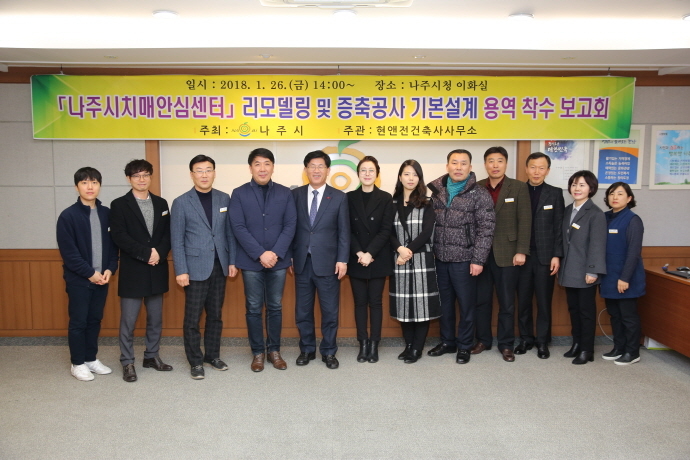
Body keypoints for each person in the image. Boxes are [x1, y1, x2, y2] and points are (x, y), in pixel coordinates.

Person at [171, 155, 238, 379]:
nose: (204, 175)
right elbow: (177, 240)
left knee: (215, 315)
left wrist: (232, 261)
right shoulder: (181, 202)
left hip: (219, 265)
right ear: (192, 174)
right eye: (199, 171)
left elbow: (229, 234)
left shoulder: (224, 198)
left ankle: (212, 355)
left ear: (214, 173)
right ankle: (195, 361)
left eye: (208, 170)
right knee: (193, 318)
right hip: (194, 267)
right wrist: (181, 270)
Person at [230, 148, 296, 372]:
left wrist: (275, 253)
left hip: (279, 260)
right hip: (251, 261)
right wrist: (260, 253)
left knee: (275, 306)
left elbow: (290, 225)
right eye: (257, 164)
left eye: (267, 163)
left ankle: (274, 351)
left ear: (273, 167)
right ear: (250, 168)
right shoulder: (239, 193)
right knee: (253, 307)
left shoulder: (285, 193)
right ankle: (257, 352)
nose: (262, 168)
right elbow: (238, 227)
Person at [427, 149, 495, 365]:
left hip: (465, 260)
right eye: (454, 163)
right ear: (447, 166)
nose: (458, 167)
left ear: (470, 167)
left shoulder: (479, 193)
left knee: (466, 306)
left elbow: (486, 229)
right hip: (440, 258)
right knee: (444, 305)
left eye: (463, 163)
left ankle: (464, 345)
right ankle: (447, 342)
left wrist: (478, 260)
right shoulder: (437, 191)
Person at [110, 159, 173, 383]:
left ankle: (151, 356)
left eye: (145, 175)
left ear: (150, 177)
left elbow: (168, 234)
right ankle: (127, 361)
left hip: (157, 268)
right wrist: (146, 254)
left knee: (155, 319)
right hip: (134, 270)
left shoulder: (161, 203)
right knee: (128, 321)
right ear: (129, 179)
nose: (141, 179)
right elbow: (119, 236)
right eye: (136, 175)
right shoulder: (119, 205)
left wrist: (159, 253)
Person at [56, 167, 118, 381]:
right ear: (77, 187)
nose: (90, 187)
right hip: (79, 280)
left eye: (94, 182)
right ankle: (77, 363)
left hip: (102, 279)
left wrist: (109, 269)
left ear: (100, 186)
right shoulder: (68, 216)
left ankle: (91, 358)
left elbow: (114, 248)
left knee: (94, 320)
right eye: (84, 183)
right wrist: (90, 273)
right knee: (79, 322)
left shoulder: (107, 213)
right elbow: (69, 254)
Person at [291, 150, 350, 370]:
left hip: (329, 263)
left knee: (330, 312)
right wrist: (289, 256)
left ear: (328, 170)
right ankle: (306, 349)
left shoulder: (339, 197)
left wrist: (342, 259)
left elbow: (344, 232)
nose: (316, 170)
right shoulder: (295, 195)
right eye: (312, 166)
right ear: (305, 169)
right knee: (303, 311)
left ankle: (329, 351)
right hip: (302, 262)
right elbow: (290, 228)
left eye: (320, 166)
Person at [473, 146, 531, 362]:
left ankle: (506, 344)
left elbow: (525, 220)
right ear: (485, 164)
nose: (495, 165)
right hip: (481, 254)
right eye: (491, 161)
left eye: (499, 161)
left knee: (507, 303)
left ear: (506, 164)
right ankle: (483, 340)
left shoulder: (518, 187)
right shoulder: (477, 187)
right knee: (481, 301)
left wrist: (521, 250)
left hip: (508, 253)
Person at [390, 160, 441, 364]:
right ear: (400, 177)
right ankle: (409, 345)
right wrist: (399, 249)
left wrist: (407, 250)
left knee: (421, 306)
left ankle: (417, 348)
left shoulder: (427, 202)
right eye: (406, 174)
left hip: (421, 260)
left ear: (419, 178)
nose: (410, 178)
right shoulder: (392, 203)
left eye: (415, 174)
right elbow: (388, 232)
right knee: (404, 304)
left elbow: (426, 232)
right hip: (400, 260)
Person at [515, 152, 565, 359]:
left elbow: (559, 226)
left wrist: (557, 255)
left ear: (548, 170)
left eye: (541, 168)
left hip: (545, 257)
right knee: (523, 301)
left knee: (544, 302)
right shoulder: (518, 190)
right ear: (526, 169)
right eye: (533, 167)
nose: (537, 172)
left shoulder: (555, 193)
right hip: (522, 256)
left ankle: (543, 341)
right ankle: (525, 339)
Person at [347, 156, 394, 363]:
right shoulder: (349, 198)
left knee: (375, 302)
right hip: (356, 257)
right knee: (359, 302)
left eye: (371, 170)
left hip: (378, 257)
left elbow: (386, 230)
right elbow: (346, 229)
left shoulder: (385, 198)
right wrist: (359, 253)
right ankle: (363, 343)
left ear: (377, 174)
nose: (367, 174)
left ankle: (374, 344)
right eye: (363, 170)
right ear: (358, 173)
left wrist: (370, 253)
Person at [559, 170, 607, 365]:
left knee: (586, 312)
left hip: (586, 271)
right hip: (569, 270)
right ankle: (577, 344)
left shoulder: (595, 213)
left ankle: (587, 349)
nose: (577, 188)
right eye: (574, 184)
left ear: (591, 188)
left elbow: (597, 244)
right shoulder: (568, 210)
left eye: (582, 185)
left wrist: (592, 270)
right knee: (574, 309)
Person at [599, 182, 645, 365]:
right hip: (608, 276)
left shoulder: (633, 220)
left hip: (626, 277)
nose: (615, 197)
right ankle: (619, 347)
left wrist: (624, 278)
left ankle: (632, 352)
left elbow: (634, 252)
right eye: (611, 194)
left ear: (629, 198)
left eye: (619, 194)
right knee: (615, 315)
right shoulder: (605, 217)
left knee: (628, 316)